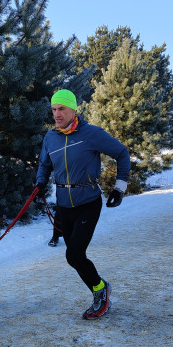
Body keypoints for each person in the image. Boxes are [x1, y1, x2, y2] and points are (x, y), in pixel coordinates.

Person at [36, 89, 130, 319]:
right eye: (54, 110)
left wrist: (119, 187)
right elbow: (44, 164)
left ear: (73, 109)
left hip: (88, 201)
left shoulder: (91, 134)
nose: (57, 114)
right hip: (64, 205)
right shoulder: (50, 137)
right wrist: (40, 183)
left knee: (74, 255)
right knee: (74, 255)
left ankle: (100, 291)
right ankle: (100, 289)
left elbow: (122, 153)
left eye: (61, 109)